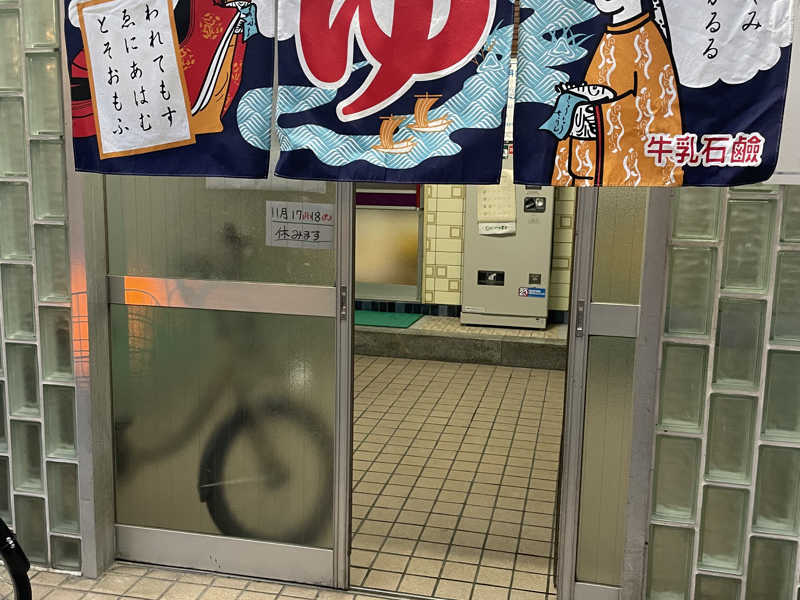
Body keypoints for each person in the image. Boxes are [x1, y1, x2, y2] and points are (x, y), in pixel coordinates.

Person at [545, 0, 683, 186]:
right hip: (587, 160)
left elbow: (655, 105)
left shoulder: (647, 40)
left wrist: (595, 112)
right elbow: (595, 85)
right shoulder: (609, 37)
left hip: (622, 165)